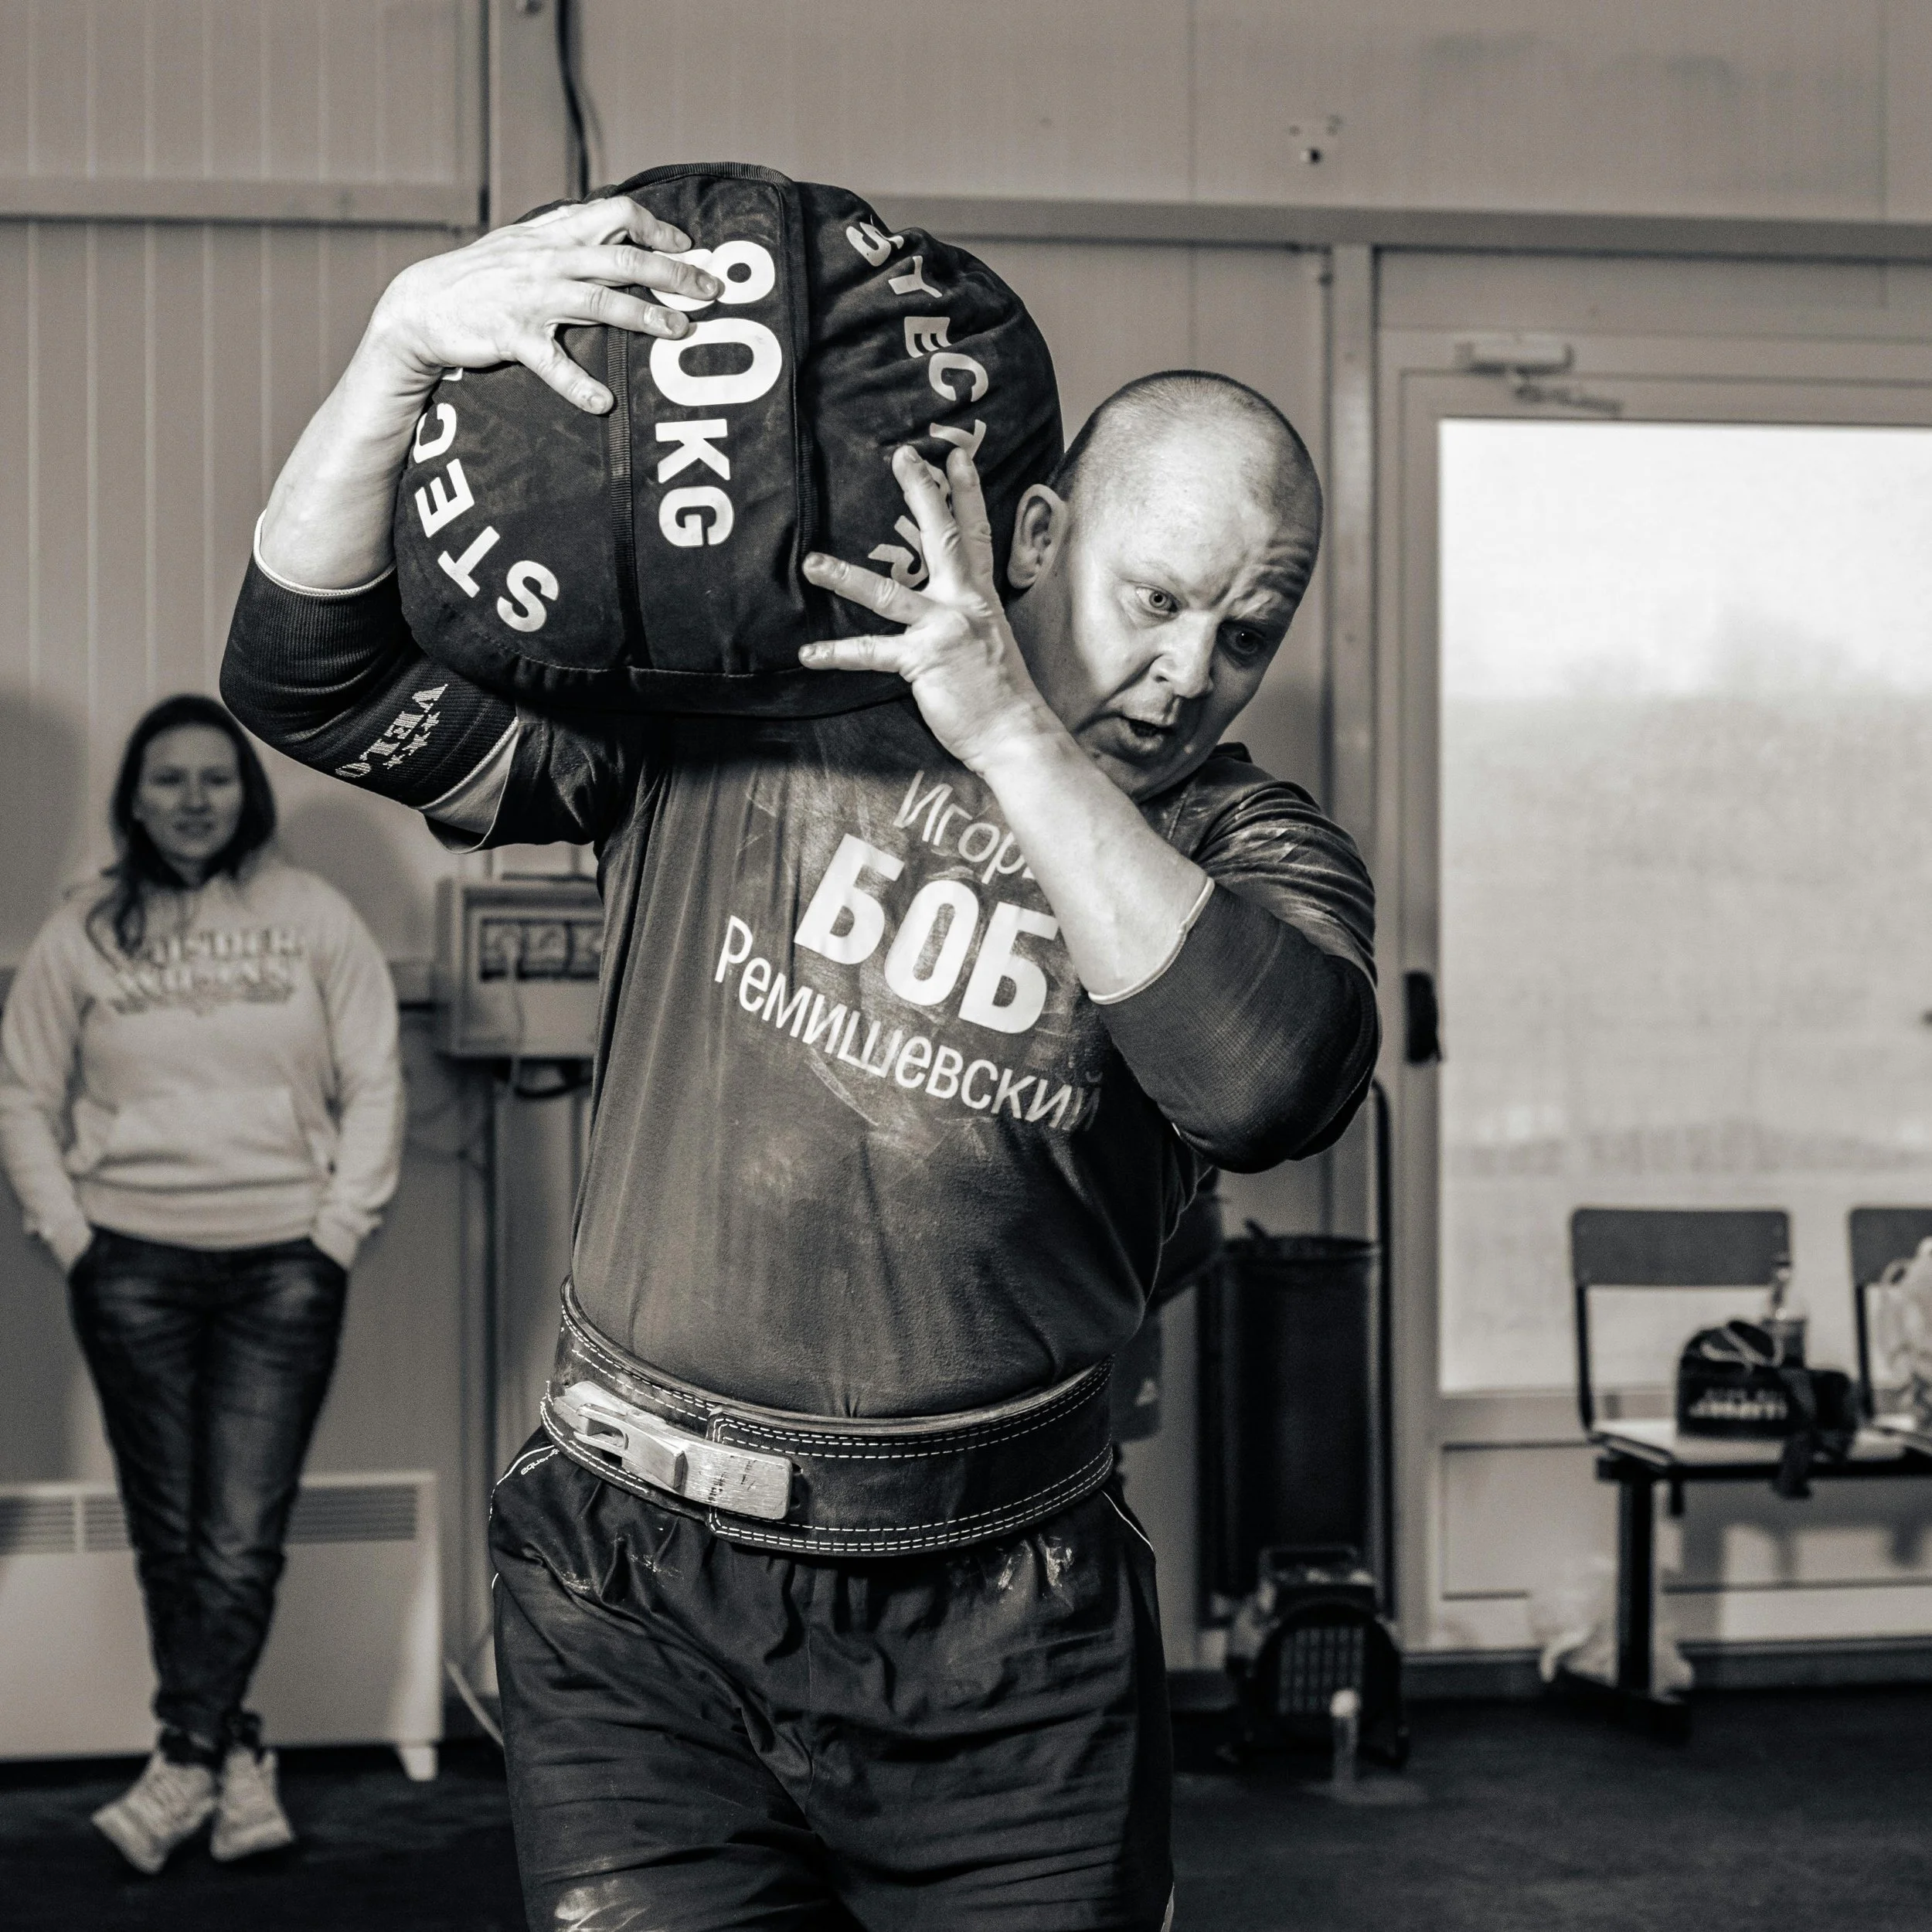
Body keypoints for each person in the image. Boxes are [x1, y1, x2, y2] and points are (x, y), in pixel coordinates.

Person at [222, 194, 1378, 1930]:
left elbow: (1266, 1081)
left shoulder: (1242, 845)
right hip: (634, 1592)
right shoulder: (751, 706)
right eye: (1155, 599)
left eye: (1245, 632)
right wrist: (397, 348)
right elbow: (303, 673)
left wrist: (1009, 735)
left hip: (1010, 1629)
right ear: (1041, 524)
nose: (1184, 671)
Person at [0, 695, 404, 1876]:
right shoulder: (84, 930)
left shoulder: (314, 917)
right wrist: (70, 1231)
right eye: (168, 780)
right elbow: (24, 1091)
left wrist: (338, 1227)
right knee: (174, 1534)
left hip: (284, 1261)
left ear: (247, 794)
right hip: (129, 1262)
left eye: (214, 779)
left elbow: (377, 1077)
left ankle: (185, 1755)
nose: (192, 800)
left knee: (238, 1534)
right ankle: (232, 1755)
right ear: (134, 797)